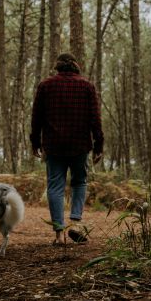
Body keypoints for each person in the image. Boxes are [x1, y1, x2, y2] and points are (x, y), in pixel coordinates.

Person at [30, 53, 104, 244]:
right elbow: (95, 119)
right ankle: (75, 224)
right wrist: (98, 145)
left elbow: (36, 117)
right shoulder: (87, 86)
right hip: (80, 145)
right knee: (79, 182)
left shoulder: (45, 86)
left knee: (55, 186)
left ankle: (59, 233)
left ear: (58, 66)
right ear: (75, 65)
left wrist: (35, 142)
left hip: (53, 145)